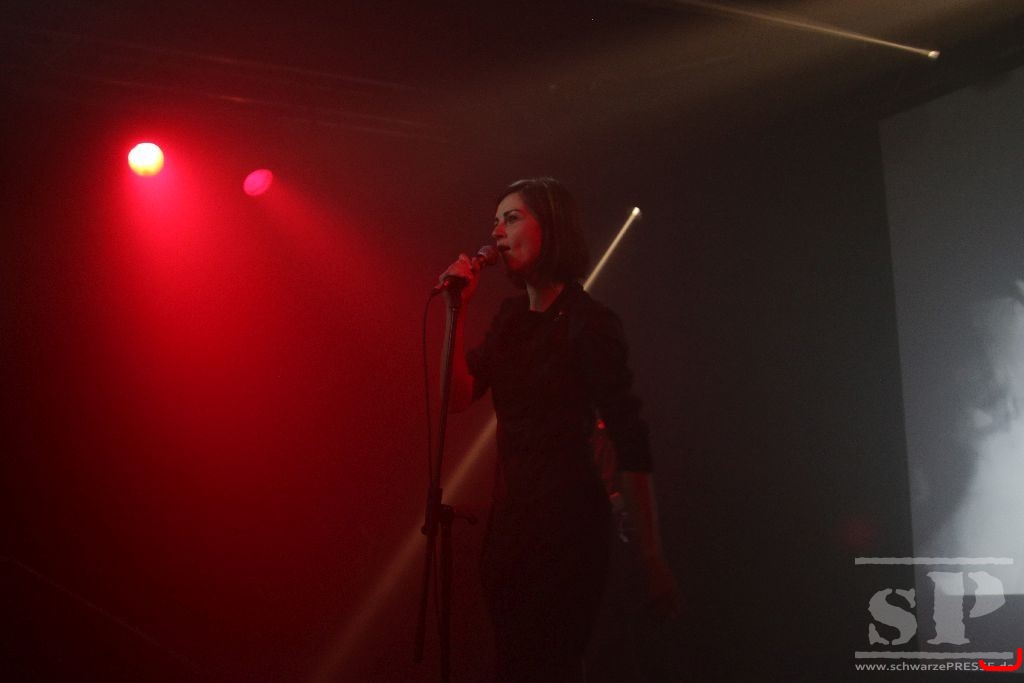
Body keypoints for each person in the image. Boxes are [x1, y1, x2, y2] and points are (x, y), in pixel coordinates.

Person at [439, 177, 678, 681]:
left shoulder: (589, 323)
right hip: (511, 528)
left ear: (551, 226)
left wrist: (652, 555)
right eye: (495, 222)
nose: (496, 233)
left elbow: (630, 440)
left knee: (553, 662)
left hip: (569, 529)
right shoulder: (510, 320)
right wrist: (456, 311)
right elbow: (457, 396)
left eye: (511, 218)